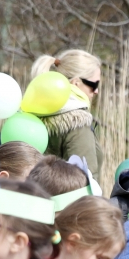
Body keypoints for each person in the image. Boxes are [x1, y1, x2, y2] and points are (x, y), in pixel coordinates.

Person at [31, 50, 104, 178]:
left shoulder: (32, 113)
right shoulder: (77, 123)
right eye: (94, 84)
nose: (96, 91)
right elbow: (84, 180)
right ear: (76, 83)